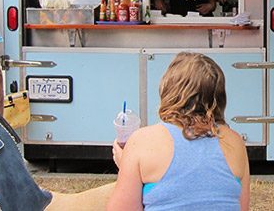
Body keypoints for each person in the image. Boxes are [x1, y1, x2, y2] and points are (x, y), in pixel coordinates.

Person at [107, 52, 250, 211]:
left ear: (170, 91)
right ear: (220, 96)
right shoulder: (236, 142)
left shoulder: (142, 141)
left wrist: (126, 168)